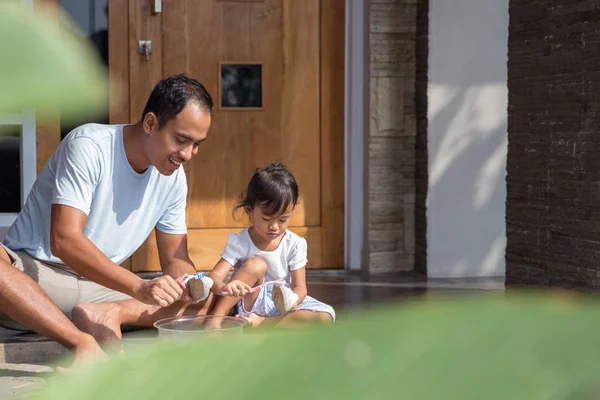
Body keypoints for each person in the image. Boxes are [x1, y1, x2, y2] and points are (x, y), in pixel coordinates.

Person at [0, 74, 215, 368]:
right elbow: (64, 240)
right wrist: (139, 287)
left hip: (99, 290)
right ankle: (81, 343)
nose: (189, 154)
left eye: (198, 144)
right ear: (151, 124)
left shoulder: (174, 178)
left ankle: (110, 314)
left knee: (206, 300)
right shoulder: (89, 145)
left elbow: (176, 259)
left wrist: (191, 283)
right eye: (182, 140)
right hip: (36, 277)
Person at [207, 163, 335, 327]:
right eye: (267, 219)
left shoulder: (294, 243)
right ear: (249, 211)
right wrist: (225, 287)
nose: (274, 226)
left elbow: (300, 287)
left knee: (326, 316)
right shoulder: (240, 242)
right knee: (256, 264)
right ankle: (216, 318)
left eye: (283, 220)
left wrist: (293, 300)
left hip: (282, 302)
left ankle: (261, 324)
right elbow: (214, 277)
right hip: (252, 300)